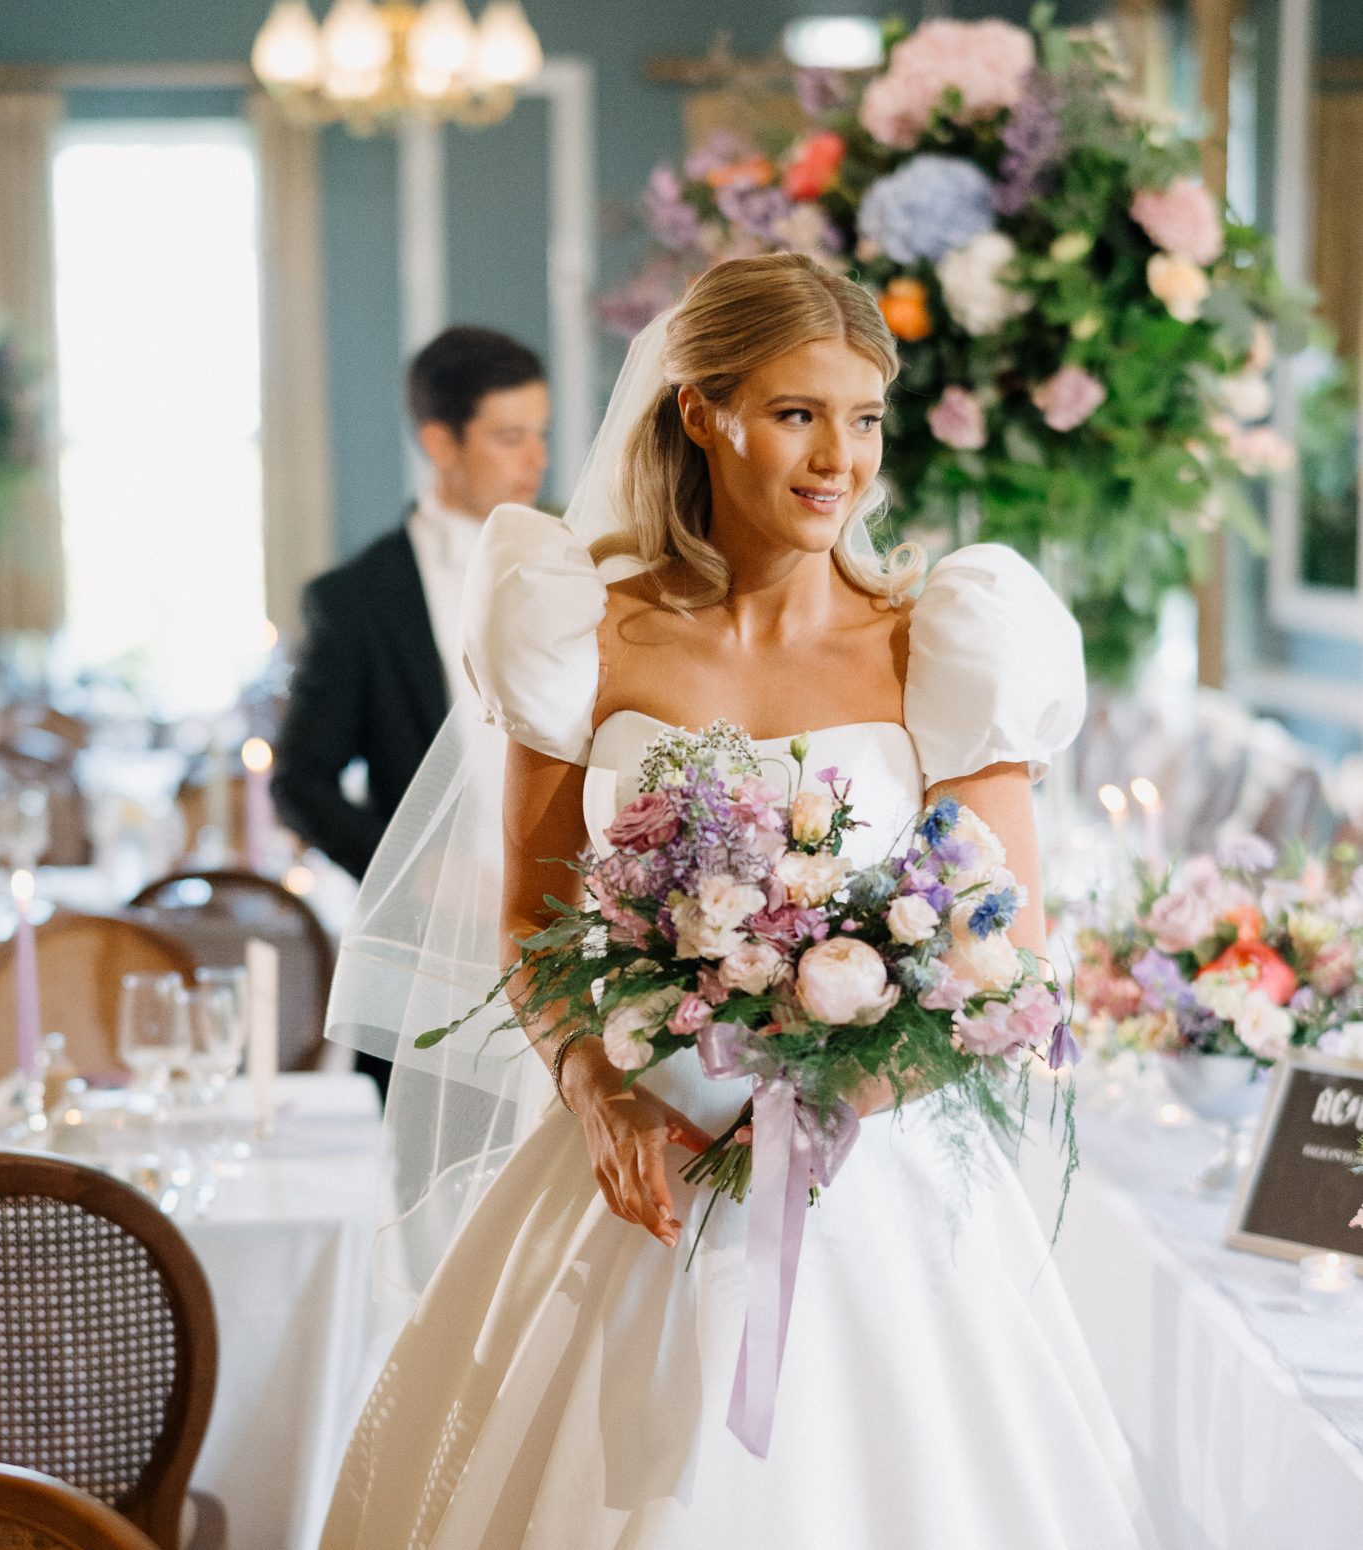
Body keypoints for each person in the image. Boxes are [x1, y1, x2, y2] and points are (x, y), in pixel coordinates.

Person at [319, 255, 1155, 1547]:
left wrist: (828, 1106)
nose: (839, 459)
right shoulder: (584, 635)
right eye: (796, 413)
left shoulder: (940, 646)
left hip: (876, 1182)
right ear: (701, 411)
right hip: (639, 1158)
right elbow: (533, 917)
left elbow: (1007, 952)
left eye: (864, 417)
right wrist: (596, 1088)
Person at [272, 325, 548, 1093]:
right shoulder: (355, 600)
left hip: (566, 950)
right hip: (428, 964)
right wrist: (417, 872)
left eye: (540, 433)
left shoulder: (571, 566)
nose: (536, 459)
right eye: (509, 438)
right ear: (439, 441)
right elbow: (299, 783)